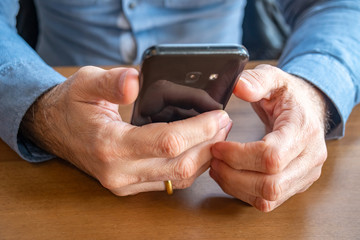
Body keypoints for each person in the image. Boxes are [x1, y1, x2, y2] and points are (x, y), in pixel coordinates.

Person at [0, 0, 359, 212]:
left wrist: (314, 91)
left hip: (221, 134)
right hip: (54, 137)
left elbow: (337, 6)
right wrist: (42, 108)